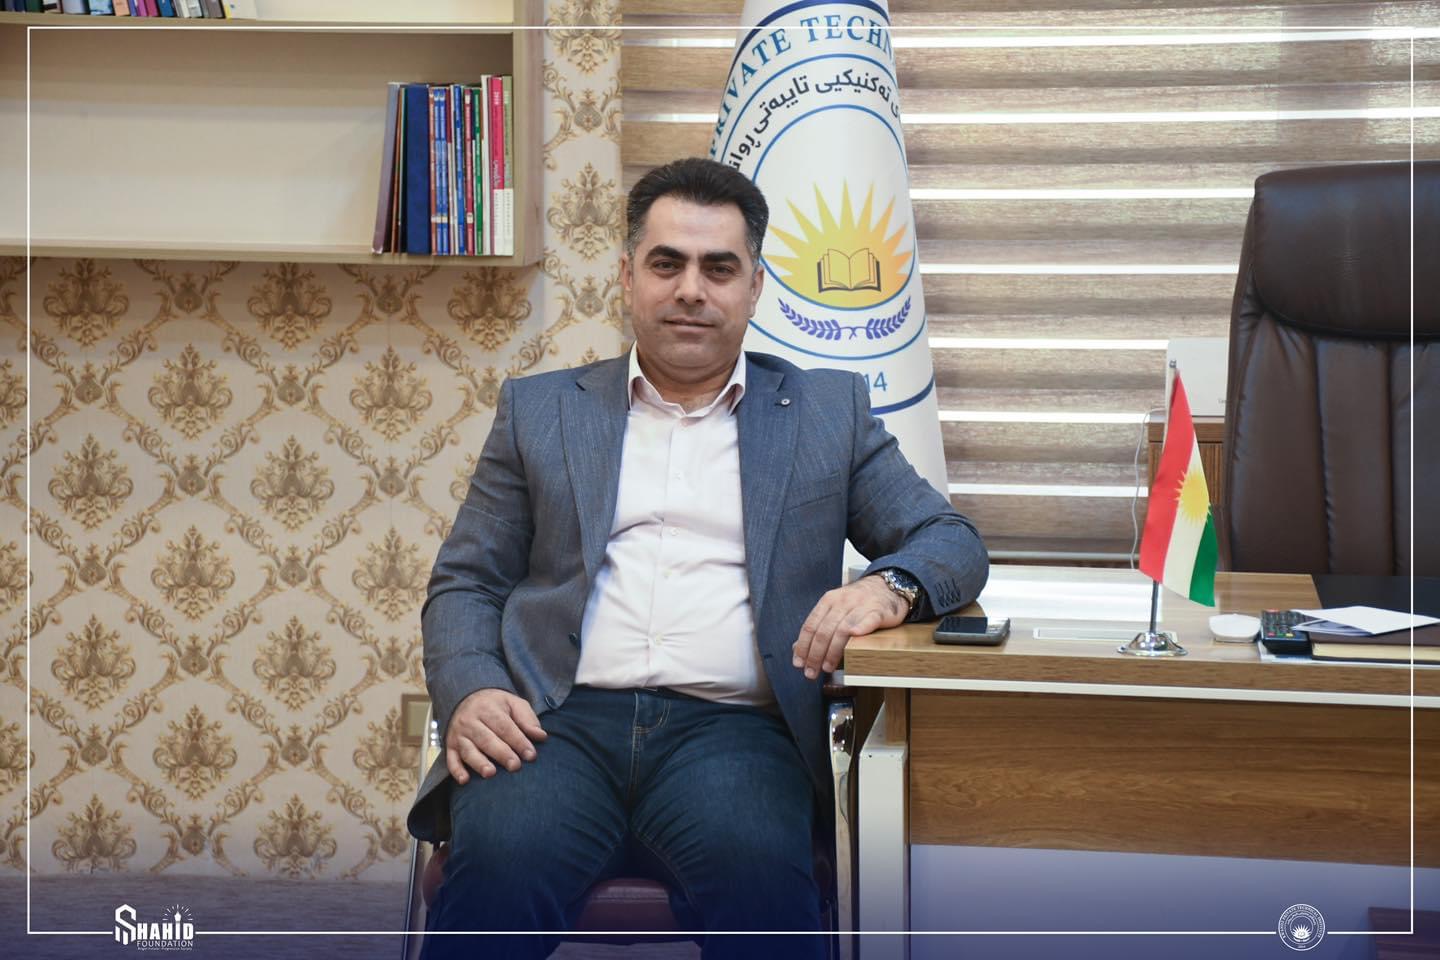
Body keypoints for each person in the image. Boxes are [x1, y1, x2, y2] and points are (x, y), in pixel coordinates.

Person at [409, 157, 989, 959]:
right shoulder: (541, 411)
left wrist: (889, 587)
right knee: (499, 870)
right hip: (552, 725)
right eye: (666, 264)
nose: (691, 289)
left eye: (719, 268)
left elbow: (951, 540)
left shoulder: (825, 414)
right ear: (628, 277)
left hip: (735, 735)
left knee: (763, 884)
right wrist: (473, 688)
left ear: (755, 286)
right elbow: (466, 581)